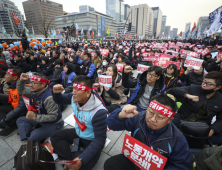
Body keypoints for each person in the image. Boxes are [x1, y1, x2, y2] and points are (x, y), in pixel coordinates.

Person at [104, 94, 191, 170]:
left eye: (160, 117)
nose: (152, 119)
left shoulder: (178, 139)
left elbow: (181, 166)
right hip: (133, 160)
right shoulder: (139, 118)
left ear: (169, 120)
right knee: (111, 164)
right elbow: (111, 125)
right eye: (151, 112)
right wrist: (120, 115)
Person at [50, 75, 108, 170]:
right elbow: (60, 100)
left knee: (81, 165)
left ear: (88, 92)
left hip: (92, 140)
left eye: (77, 90)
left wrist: (81, 159)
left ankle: (72, 156)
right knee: (55, 136)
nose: (73, 92)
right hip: (78, 132)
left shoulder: (99, 112)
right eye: (73, 88)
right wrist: (56, 94)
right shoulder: (73, 97)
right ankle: (70, 160)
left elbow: (100, 139)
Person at [170, 71, 222, 145]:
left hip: (201, 125)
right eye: (204, 82)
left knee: (219, 138)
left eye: (209, 84)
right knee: (166, 124)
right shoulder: (194, 88)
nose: (204, 85)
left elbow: (220, 119)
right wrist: (187, 95)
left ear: (218, 87)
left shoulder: (220, 100)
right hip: (182, 118)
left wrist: (213, 129)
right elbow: (175, 90)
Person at [16, 72, 64, 142]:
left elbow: (53, 117)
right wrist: (21, 80)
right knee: (20, 120)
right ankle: (29, 136)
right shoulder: (34, 90)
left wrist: (34, 117)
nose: (30, 85)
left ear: (43, 84)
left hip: (53, 124)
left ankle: (32, 135)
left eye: (34, 83)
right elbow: (21, 90)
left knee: (33, 136)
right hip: (40, 118)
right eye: (30, 82)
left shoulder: (50, 98)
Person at [0, 67, 27, 136]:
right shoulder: (12, 84)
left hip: (23, 111)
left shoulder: (22, 88)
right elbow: (11, 97)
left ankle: (10, 125)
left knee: (8, 121)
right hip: (14, 106)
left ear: (15, 78)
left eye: (7, 74)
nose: (5, 75)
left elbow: (22, 107)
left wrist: (6, 119)